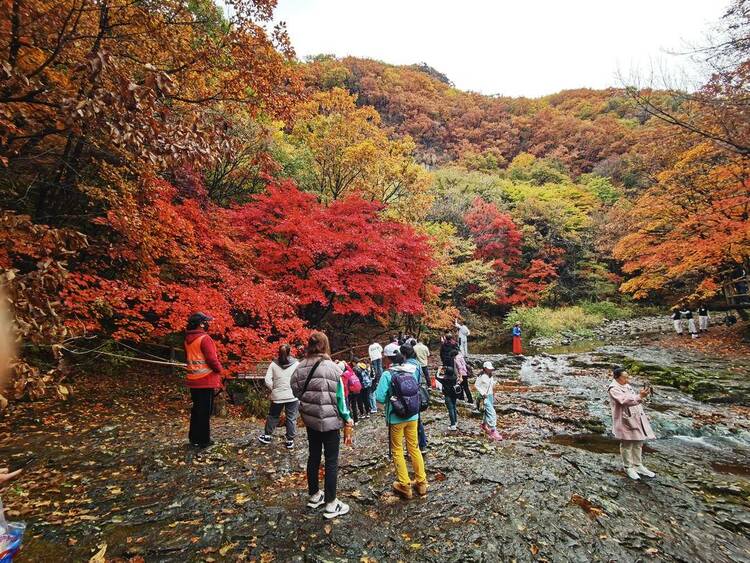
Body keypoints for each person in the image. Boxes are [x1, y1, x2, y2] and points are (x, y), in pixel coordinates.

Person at [291, 332, 353, 519]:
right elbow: (340, 398)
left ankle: (314, 495)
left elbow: (294, 389)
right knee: (331, 460)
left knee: (314, 456)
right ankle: (331, 503)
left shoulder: (300, 367)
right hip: (331, 421)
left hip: (311, 421)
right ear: (325, 345)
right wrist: (347, 418)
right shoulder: (333, 369)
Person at [374, 347, 428, 499]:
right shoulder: (410, 370)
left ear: (389, 360)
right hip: (413, 416)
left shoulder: (387, 374)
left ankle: (404, 485)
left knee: (397, 450)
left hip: (396, 417)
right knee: (414, 448)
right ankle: (421, 482)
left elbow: (379, 397)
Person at [608, 366, 656, 480]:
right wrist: (640, 396)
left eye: (627, 376)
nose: (627, 379)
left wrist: (641, 396)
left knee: (639, 441)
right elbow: (623, 400)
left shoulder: (627, 385)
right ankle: (628, 467)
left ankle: (638, 465)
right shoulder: (613, 388)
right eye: (625, 377)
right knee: (627, 444)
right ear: (617, 377)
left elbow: (634, 398)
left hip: (636, 417)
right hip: (624, 420)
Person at [183, 312, 223, 449]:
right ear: (201, 323)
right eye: (206, 321)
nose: (208, 324)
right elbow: (212, 359)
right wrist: (219, 369)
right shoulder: (204, 339)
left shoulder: (188, 339)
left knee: (196, 410)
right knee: (205, 411)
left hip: (193, 379)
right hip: (205, 379)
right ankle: (203, 440)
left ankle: (193, 437)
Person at [258, 344, 300, 449]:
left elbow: (267, 380)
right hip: (292, 396)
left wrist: (274, 389)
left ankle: (267, 436)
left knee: (273, 415)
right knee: (291, 418)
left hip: (277, 396)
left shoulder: (273, 364)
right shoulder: (296, 364)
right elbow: (300, 379)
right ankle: (290, 441)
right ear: (290, 352)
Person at [401, 343, 428, 453]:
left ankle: (413, 447)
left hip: (409, 396)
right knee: (417, 420)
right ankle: (422, 444)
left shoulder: (407, 366)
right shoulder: (417, 363)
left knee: (411, 422)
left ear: (404, 354)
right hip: (417, 394)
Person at [475, 362, 502, 441]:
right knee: (492, 412)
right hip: (484, 397)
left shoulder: (490, 376)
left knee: (487, 412)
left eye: (490, 368)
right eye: (488, 368)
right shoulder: (481, 376)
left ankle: (484, 424)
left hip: (490, 396)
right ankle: (493, 430)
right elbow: (476, 385)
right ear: (485, 368)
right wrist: (483, 393)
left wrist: (494, 394)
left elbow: (491, 386)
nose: (490, 370)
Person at [437, 337, 460, 431]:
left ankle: (453, 424)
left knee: (450, 408)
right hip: (454, 394)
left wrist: (439, 370)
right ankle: (456, 421)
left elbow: (437, 376)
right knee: (454, 407)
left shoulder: (444, 379)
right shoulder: (454, 378)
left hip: (447, 395)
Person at [338, 361, 362, 425]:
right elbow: (350, 369)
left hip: (347, 393)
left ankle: (349, 420)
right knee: (354, 406)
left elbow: (344, 386)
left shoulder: (343, 376)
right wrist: (346, 364)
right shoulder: (350, 372)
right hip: (354, 390)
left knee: (347, 407)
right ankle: (356, 420)